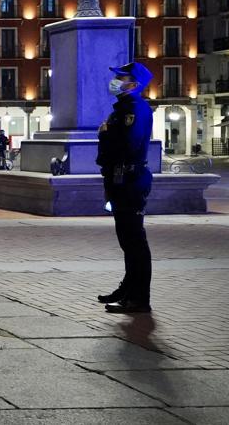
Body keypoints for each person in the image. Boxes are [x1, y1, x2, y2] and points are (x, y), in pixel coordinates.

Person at [97, 62, 155, 314]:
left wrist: (106, 134)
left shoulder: (134, 109)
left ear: (134, 83)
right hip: (121, 179)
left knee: (134, 242)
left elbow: (128, 145)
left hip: (130, 179)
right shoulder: (122, 109)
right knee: (128, 241)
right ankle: (128, 289)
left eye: (121, 77)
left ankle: (139, 298)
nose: (116, 80)